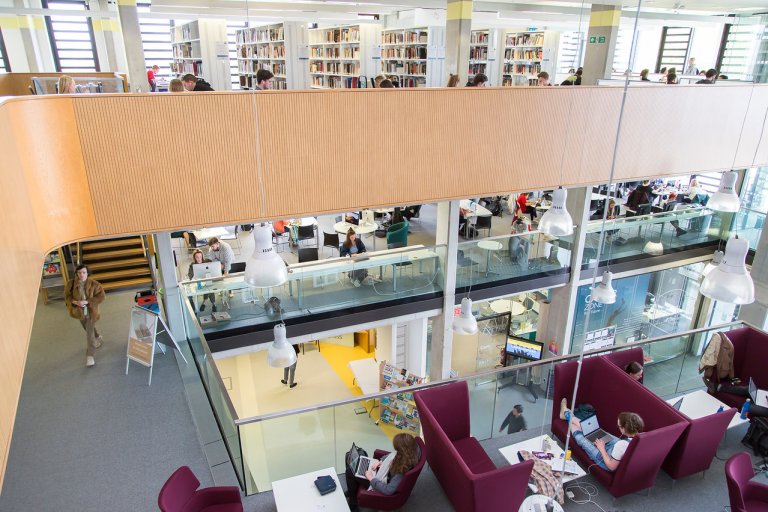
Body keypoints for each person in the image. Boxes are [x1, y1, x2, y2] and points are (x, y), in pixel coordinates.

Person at [560, 399, 644, 472]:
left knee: (581, 439)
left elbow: (611, 467)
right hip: (615, 450)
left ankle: (567, 414)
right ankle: (567, 415)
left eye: (618, 426)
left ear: (624, 429)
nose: (618, 427)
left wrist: (602, 448)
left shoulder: (621, 445)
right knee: (595, 431)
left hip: (605, 461)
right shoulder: (642, 437)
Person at [344, 433, 421, 511]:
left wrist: (371, 478)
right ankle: (352, 490)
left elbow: (388, 490)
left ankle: (353, 502)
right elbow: (391, 455)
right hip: (384, 471)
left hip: (382, 480)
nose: (396, 451)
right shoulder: (410, 451)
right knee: (358, 465)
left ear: (402, 451)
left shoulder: (401, 470)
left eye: (397, 450)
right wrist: (380, 461)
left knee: (350, 472)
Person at [65, 264, 106, 367]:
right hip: (79, 313)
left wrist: (87, 302)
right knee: (87, 328)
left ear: (88, 273)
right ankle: (98, 336)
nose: (81, 275)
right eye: (79, 273)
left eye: (84, 272)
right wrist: (74, 302)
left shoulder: (95, 284)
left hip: (92, 312)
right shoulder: (71, 284)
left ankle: (90, 356)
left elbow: (101, 297)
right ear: (76, 274)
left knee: (89, 334)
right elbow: (67, 297)